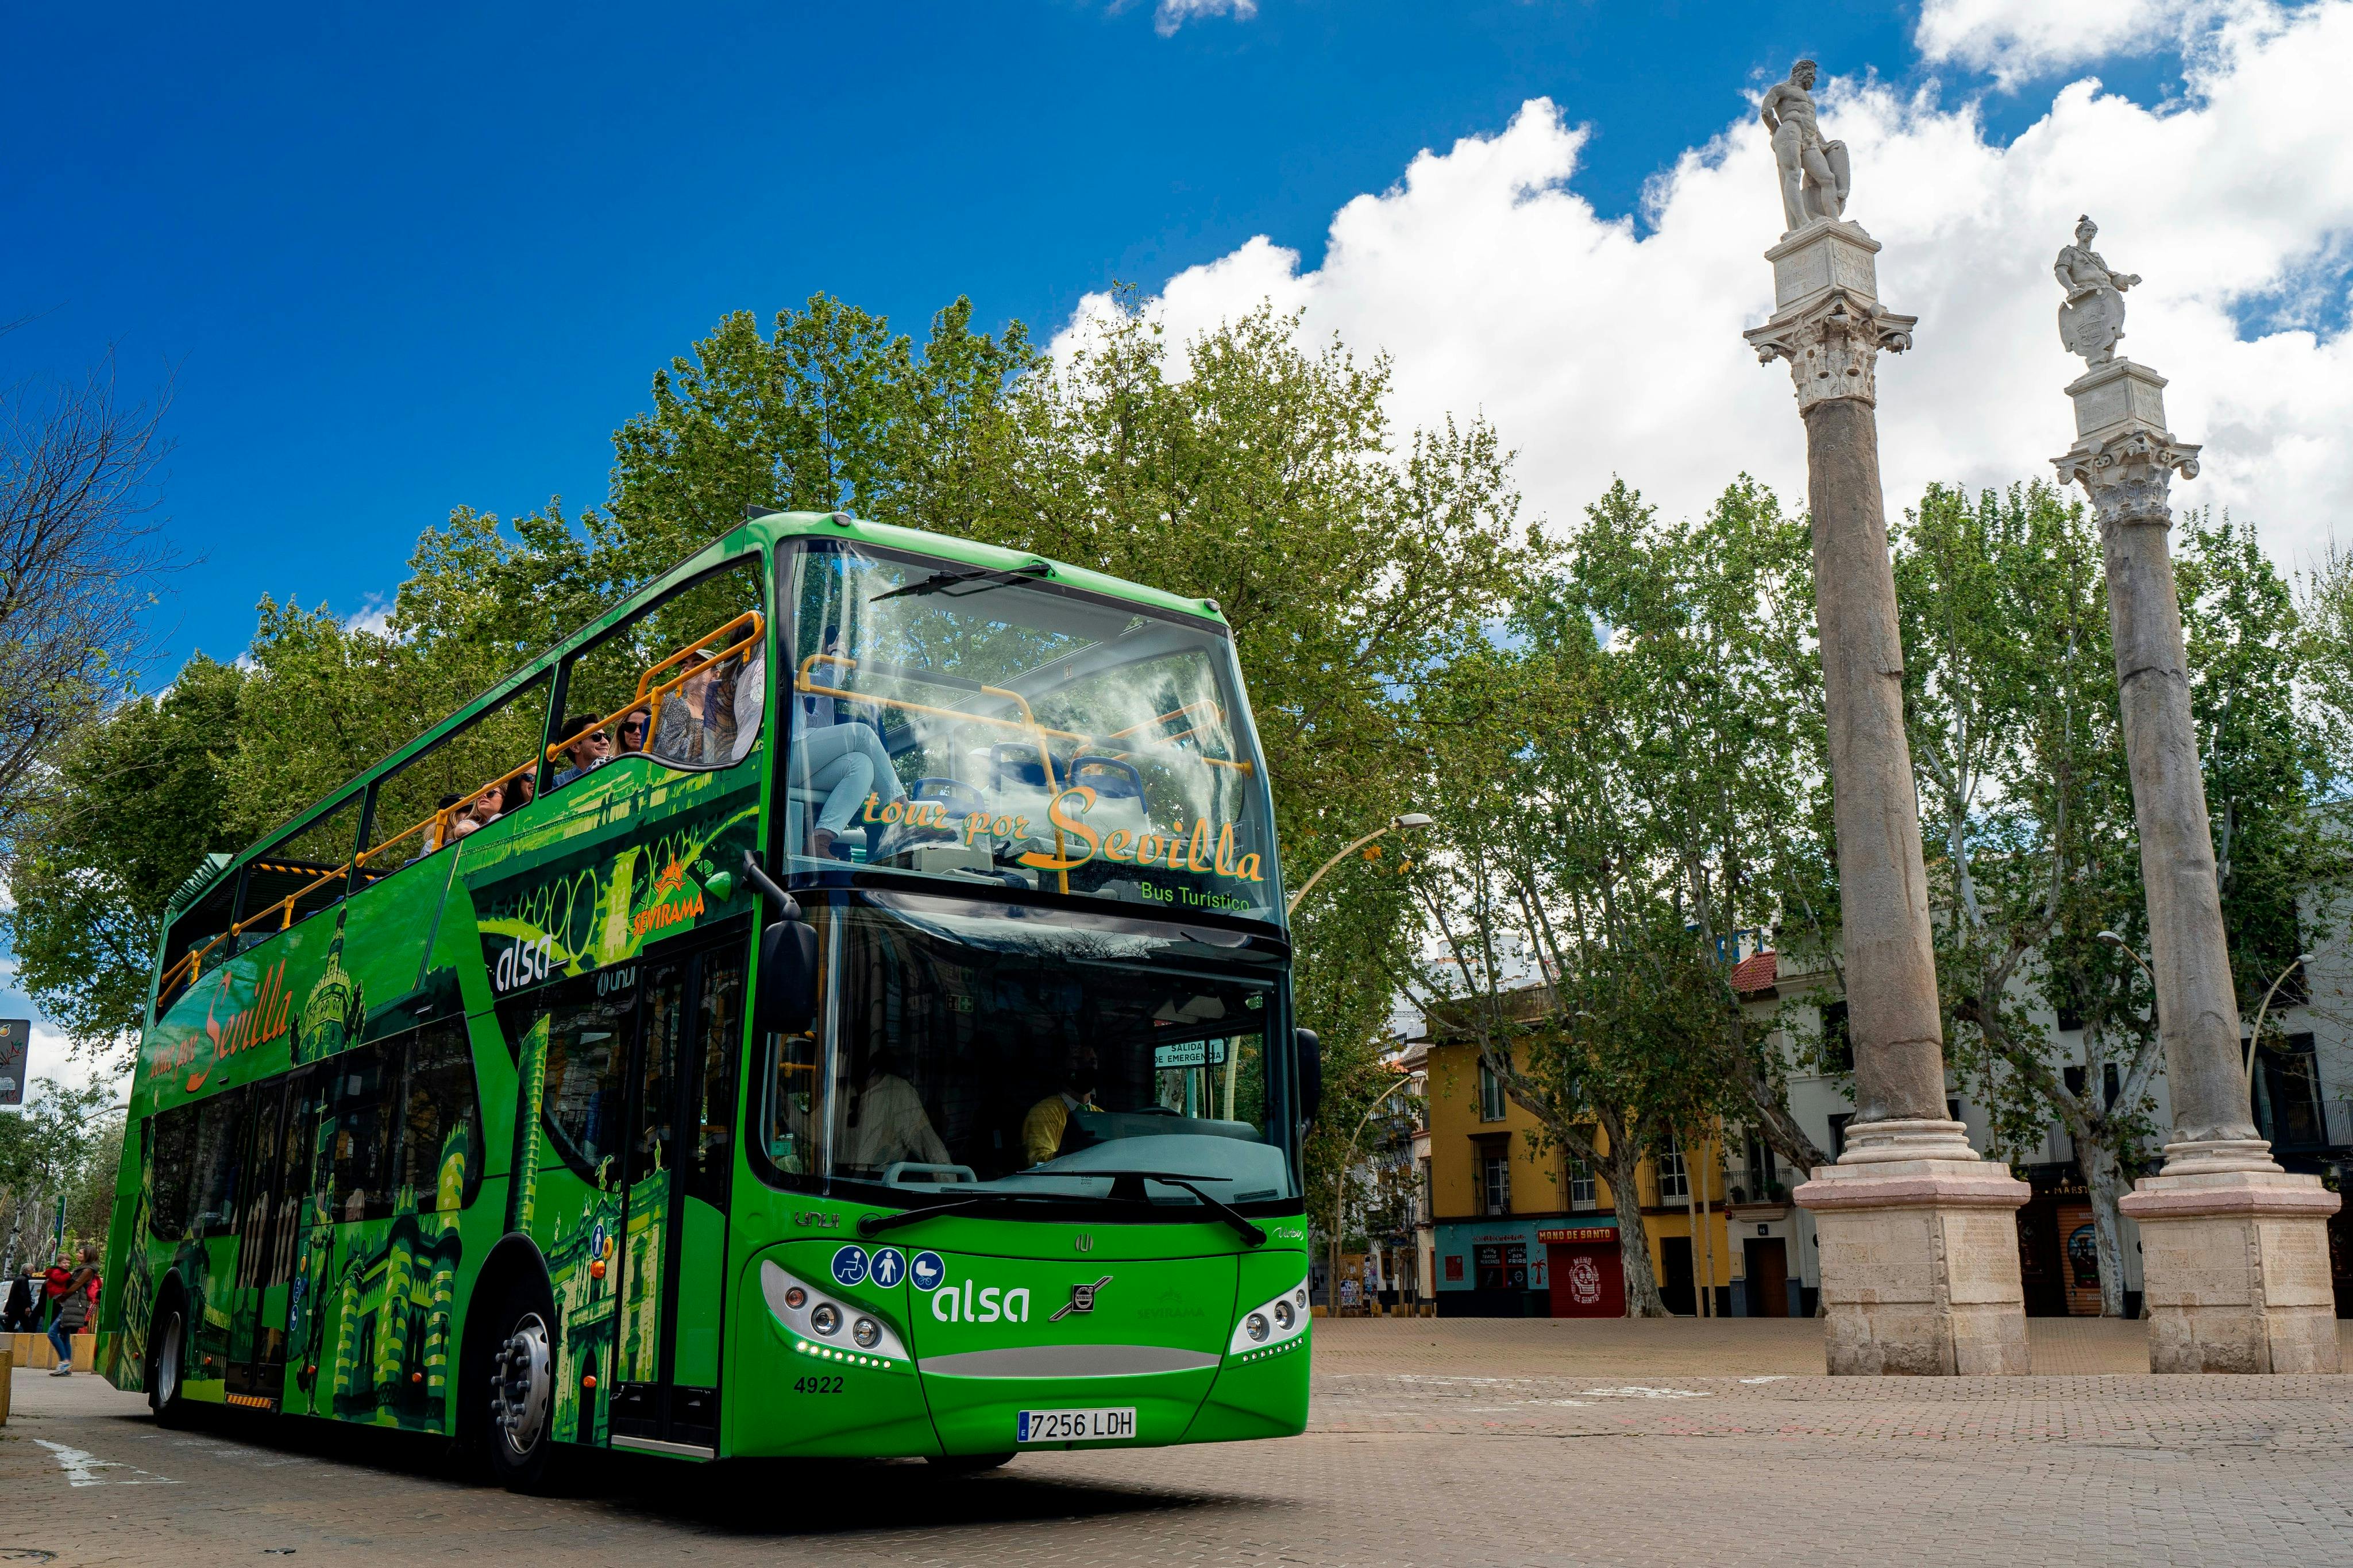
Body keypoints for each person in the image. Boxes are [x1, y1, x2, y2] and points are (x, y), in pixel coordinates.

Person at [835, 1049, 952, 1172]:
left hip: (881, 1182)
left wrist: (951, 1188)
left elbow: (934, 1151)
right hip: (835, 1181)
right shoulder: (839, 1093)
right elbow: (815, 1132)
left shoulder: (899, 1092)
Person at [1021, 1044, 1102, 1167]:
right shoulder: (1043, 1113)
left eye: (1092, 1062)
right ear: (1061, 1069)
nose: (1088, 1067)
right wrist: (1073, 1155)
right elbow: (1037, 1161)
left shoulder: (1102, 1116)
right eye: (1078, 1061)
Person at [46, 1245, 98, 1376]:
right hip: (71, 1304)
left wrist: (62, 1296)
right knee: (64, 1336)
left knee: (52, 1333)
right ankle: (67, 1368)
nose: (78, 1255)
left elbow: (75, 1285)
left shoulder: (87, 1270)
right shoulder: (82, 1269)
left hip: (72, 1305)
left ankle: (65, 1362)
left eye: (80, 1253)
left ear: (87, 1255)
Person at [550, 714, 612, 787]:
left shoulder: (619, 769)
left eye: (607, 737)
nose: (605, 742)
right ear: (575, 747)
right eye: (596, 737)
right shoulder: (558, 785)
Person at [1, 1262, 38, 1331]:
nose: (33, 1271)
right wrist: (27, 1307)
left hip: (15, 1308)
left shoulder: (18, 1278)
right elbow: (24, 1294)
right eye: (32, 1269)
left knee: (10, 1327)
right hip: (20, 1309)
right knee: (28, 1328)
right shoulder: (24, 1280)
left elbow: (14, 1294)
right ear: (27, 1271)